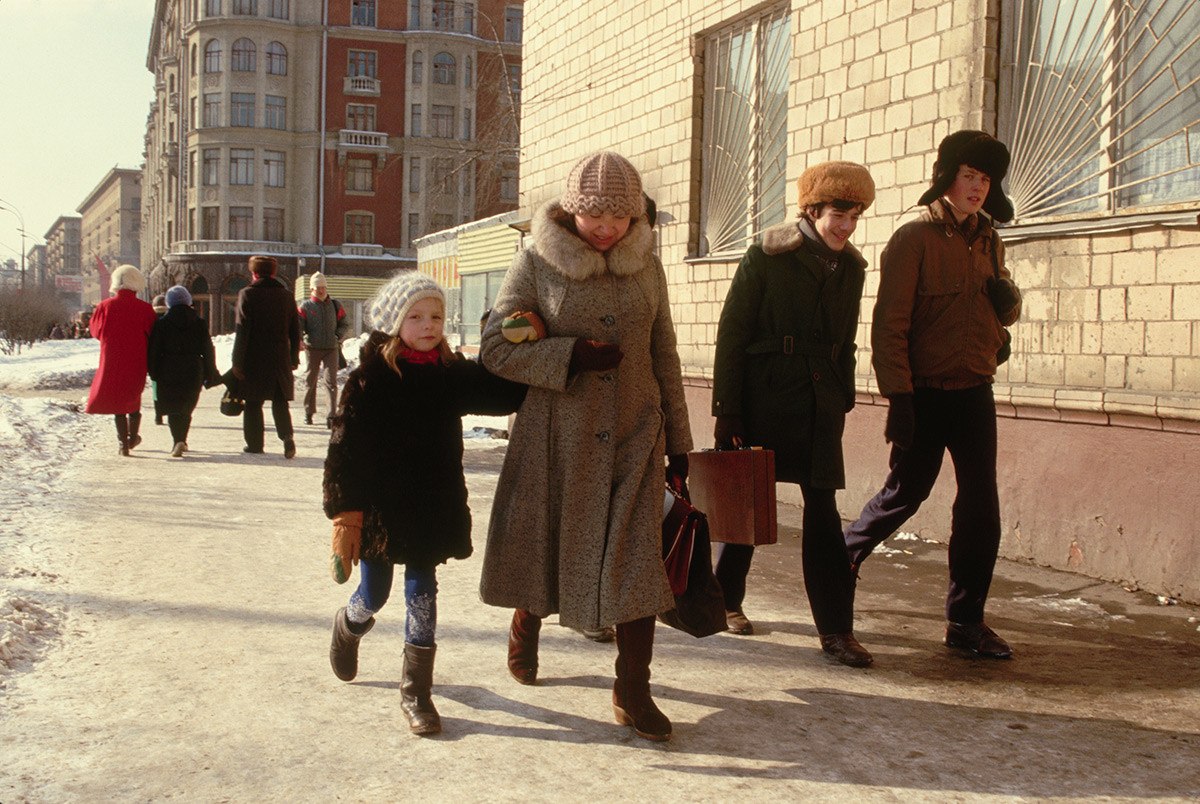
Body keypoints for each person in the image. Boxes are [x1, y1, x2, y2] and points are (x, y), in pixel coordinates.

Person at [479, 151, 693, 742]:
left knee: (635, 562)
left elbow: (665, 352)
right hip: (559, 440)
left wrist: (681, 441)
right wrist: (567, 355)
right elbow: (496, 349)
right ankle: (527, 622)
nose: (606, 229)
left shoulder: (648, 265)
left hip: (636, 433)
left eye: (619, 218)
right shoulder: (536, 262)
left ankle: (632, 687)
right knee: (549, 552)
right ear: (571, 212)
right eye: (594, 216)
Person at [844, 130, 1022, 660]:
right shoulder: (912, 239)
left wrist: (1005, 306)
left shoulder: (989, 237)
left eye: (986, 179)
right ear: (947, 177)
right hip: (923, 394)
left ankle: (965, 622)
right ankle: (837, 567)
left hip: (974, 391)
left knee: (980, 509)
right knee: (904, 496)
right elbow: (889, 327)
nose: (977, 188)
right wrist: (899, 399)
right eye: (969, 175)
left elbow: (1002, 308)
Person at [323, 271, 524, 736]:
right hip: (379, 510)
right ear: (395, 322)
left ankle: (416, 691)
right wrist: (346, 514)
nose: (429, 324)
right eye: (416, 316)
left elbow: (502, 393)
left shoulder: (448, 372)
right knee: (375, 592)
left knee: (422, 592)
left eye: (435, 314)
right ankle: (349, 625)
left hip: (431, 504)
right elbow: (344, 451)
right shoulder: (370, 379)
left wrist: (515, 344)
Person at [711, 161, 877, 667]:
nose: (846, 227)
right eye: (838, 215)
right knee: (748, 505)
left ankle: (836, 631)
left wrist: (844, 393)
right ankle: (725, 599)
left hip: (821, 402)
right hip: (765, 395)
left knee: (823, 515)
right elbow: (732, 333)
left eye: (855, 217)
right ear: (812, 210)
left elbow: (846, 340)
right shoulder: (767, 256)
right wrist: (728, 412)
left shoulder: (852, 267)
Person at [231, 255, 301, 458]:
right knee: (280, 402)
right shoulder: (286, 296)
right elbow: (294, 331)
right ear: (274, 273)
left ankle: (254, 444)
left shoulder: (247, 294)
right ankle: (287, 438)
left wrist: (237, 361)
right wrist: (293, 357)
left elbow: (242, 330)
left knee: (253, 402)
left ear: (253, 273)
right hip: (279, 357)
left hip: (254, 358)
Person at [85, 265, 158, 456]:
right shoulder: (145, 309)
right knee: (133, 398)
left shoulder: (104, 307)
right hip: (137, 360)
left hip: (112, 359)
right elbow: (153, 334)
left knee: (118, 402)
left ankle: (122, 444)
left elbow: (96, 331)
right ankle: (133, 437)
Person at [147, 285, 220, 457]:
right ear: (188, 301)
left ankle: (177, 440)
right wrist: (210, 371)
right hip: (193, 368)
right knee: (186, 406)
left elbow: (154, 350)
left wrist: (154, 371)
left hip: (169, 368)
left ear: (169, 303)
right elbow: (208, 349)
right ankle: (182, 439)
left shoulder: (162, 324)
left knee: (173, 407)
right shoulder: (199, 322)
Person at [298, 272, 350, 427]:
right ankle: (309, 412)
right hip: (312, 348)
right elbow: (298, 326)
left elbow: (345, 323)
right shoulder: (305, 307)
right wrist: (301, 340)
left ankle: (331, 415)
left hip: (331, 348)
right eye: (317, 288)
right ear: (311, 290)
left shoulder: (335, 305)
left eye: (323, 287)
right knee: (310, 381)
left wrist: (337, 336)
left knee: (331, 382)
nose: (321, 290)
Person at [151, 294, 169, 426]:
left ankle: (158, 416)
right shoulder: (169, 319)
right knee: (169, 386)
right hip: (169, 359)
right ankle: (170, 412)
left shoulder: (151, 320)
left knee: (156, 388)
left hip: (155, 358)